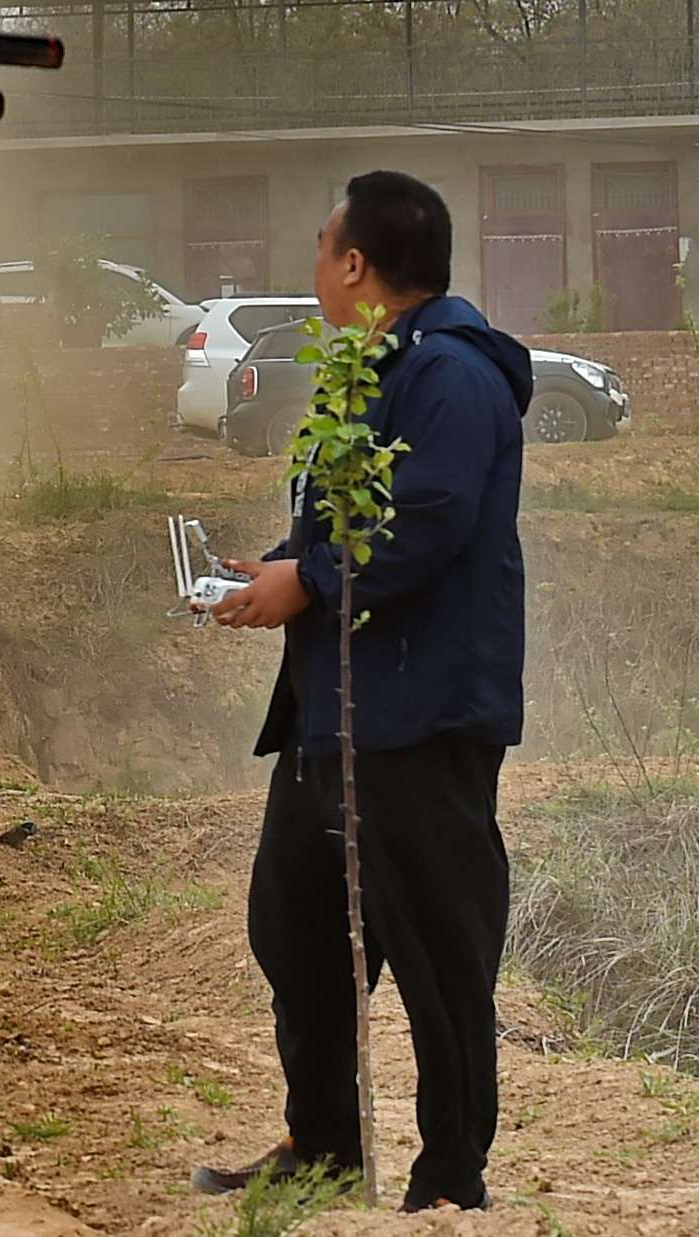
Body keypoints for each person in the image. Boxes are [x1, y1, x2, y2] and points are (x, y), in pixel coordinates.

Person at [200, 171, 531, 1218]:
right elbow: (348, 524)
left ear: (356, 264)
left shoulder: (451, 376)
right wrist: (273, 572)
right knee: (294, 927)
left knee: (440, 954)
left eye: (318, 247)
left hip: (419, 720)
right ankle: (326, 1141)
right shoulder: (370, 375)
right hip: (337, 712)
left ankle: (449, 1182)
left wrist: (315, 579)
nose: (312, 268)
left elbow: (424, 522)